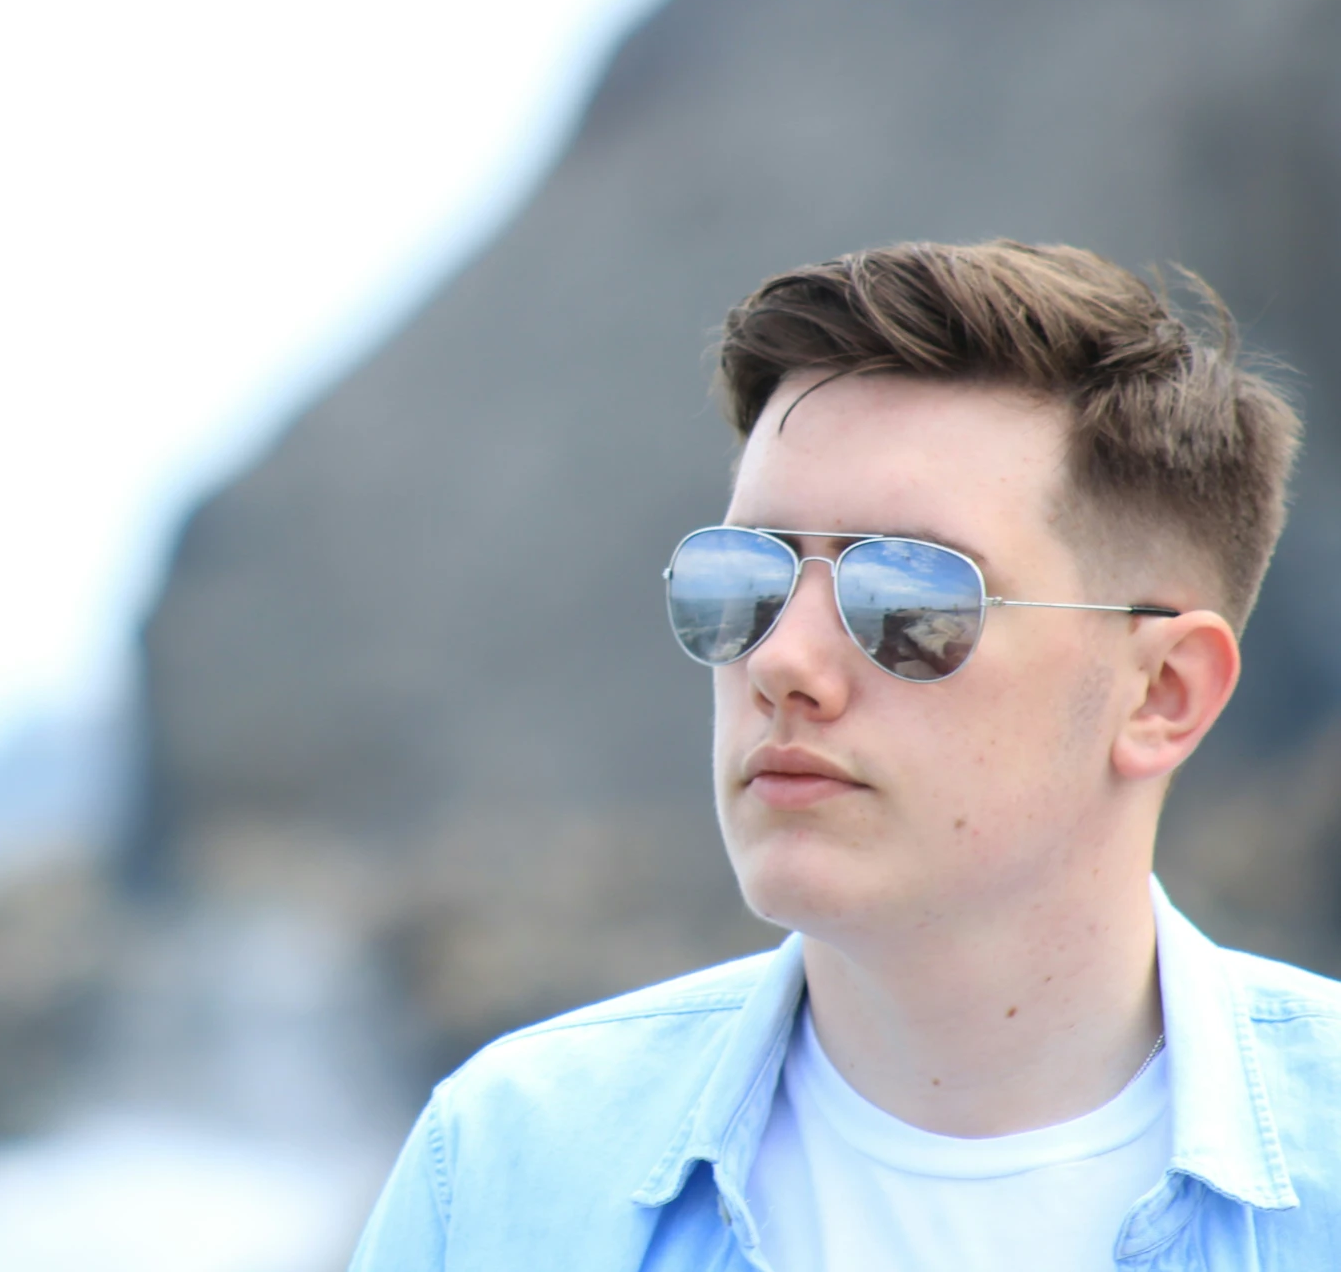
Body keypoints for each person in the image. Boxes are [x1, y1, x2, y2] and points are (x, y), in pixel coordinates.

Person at [346, 241, 1339, 1270]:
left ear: (1160, 694)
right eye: (742, 578)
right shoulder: (509, 1168)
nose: (781, 660)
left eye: (908, 596)